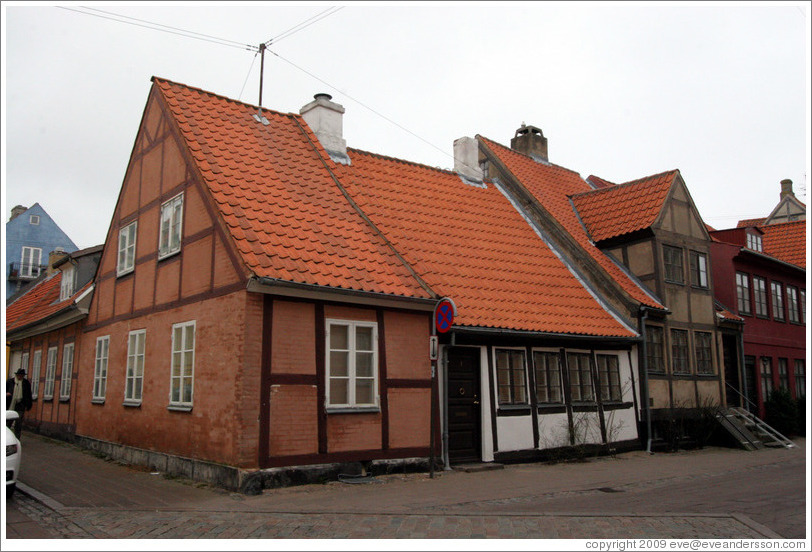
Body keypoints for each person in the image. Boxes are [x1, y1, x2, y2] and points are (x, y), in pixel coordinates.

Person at [6, 368, 33, 438]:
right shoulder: (10, 382)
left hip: (20, 404)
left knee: (18, 423)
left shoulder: (26, 383)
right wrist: (6, 394)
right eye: (19, 375)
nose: (20, 377)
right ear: (16, 375)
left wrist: (28, 405)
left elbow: (28, 394)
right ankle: (6, 438)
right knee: (8, 422)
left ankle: (17, 439)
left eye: (21, 375)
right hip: (10, 404)